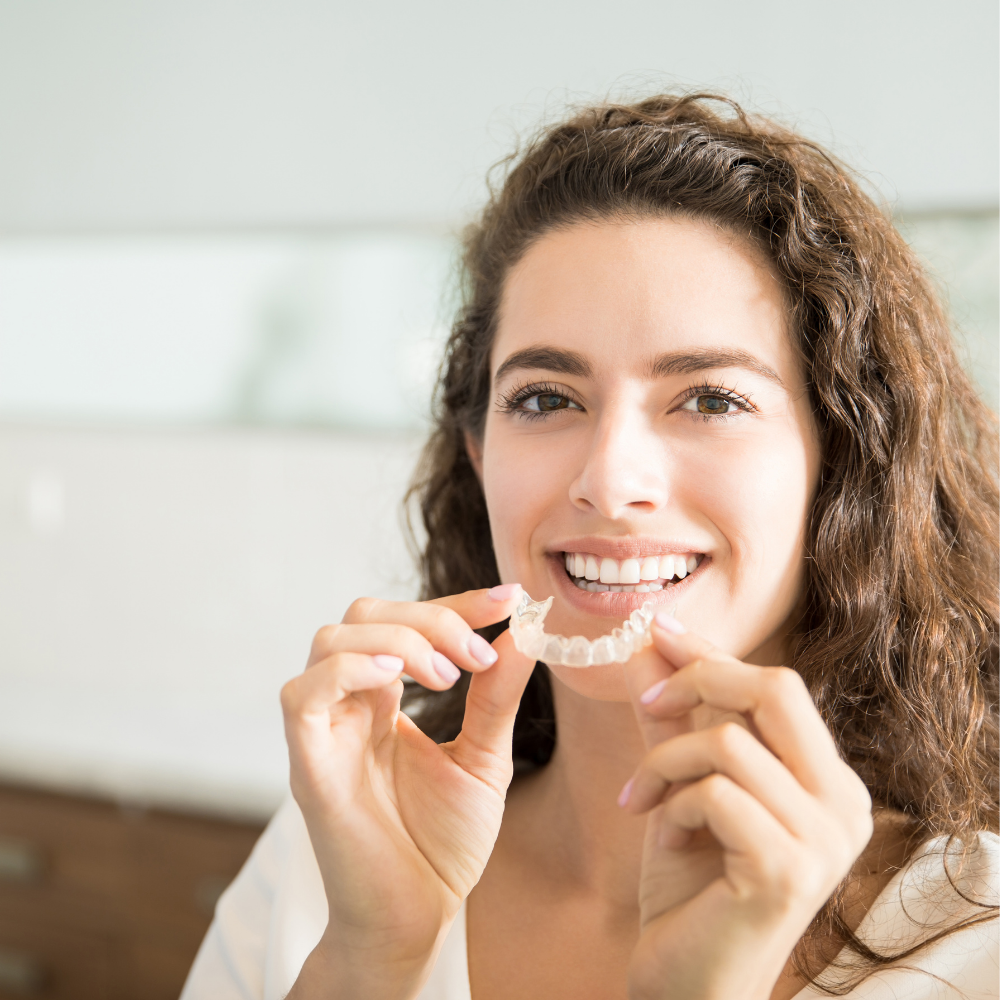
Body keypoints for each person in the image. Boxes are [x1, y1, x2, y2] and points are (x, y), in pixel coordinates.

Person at [181, 94, 1000, 1000]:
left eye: (712, 399)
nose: (609, 482)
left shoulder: (975, 941)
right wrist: (371, 961)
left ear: (840, 462)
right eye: (545, 398)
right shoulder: (328, 863)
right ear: (479, 455)